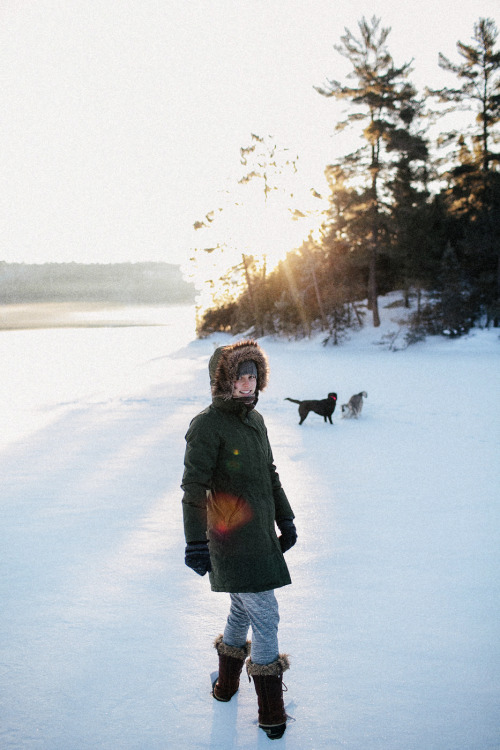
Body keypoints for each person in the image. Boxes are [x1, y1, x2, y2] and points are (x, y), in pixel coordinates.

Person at [181, 339, 297, 740]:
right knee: (266, 615)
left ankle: (225, 687)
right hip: (231, 540)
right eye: (239, 377)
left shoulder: (255, 421)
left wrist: (286, 518)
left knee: (242, 612)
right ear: (222, 382)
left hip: (261, 533)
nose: (247, 384)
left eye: (253, 376)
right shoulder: (207, 425)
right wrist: (195, 542)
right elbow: (193, 488)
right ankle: (271, 714)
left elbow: (270, 473)